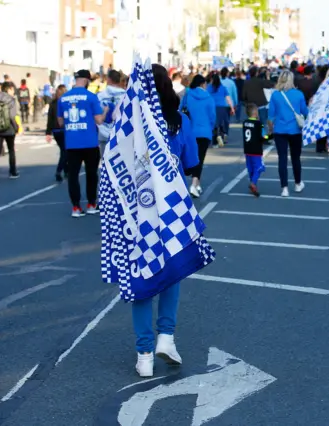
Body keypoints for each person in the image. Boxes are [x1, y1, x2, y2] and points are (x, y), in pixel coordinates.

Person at [133, 63, 201, 377]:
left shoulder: (131, 123)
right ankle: (166, 337)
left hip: (138, 210)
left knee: (142, 279)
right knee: (172, 274)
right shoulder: (179, 121)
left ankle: (144, 355)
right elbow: (191, 165)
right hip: (173, 210)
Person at [57, 70, 106, 217]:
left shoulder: (63, 98)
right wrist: (106, 111)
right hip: (90, 142)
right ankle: (91, 204)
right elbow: (99, 120)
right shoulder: (91, 97)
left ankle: (76, 207)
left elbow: (60, 122)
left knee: (73, 175)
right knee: (91, 174)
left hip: (72, 142)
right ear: (86, 80)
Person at [267, 70, 308, 197]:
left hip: (280, 130)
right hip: (295, 130)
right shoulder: (299, 94)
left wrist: (269, 129)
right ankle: (297, 183)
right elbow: (305, 112)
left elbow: (270, 116)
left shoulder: (275, 95)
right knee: (296, 158)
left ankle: (284, 188)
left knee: (282, 159)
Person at [180, 74, 216, 198]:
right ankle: (194, 184)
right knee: (200, 158)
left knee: (191, 156)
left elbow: (180, 111)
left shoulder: (188, 95)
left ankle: (197, 184)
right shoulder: (209, 97)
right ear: (202, 84)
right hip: (205, 131)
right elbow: (212, 117)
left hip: (190, 131)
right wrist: (211, 129)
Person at [0, 81, 22, 181]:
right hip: (9, 128)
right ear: (9, 89)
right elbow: (12, 115)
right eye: (12, 89)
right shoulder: (11, 99)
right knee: (11, 150)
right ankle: (13, 172)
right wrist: (16, 127)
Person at [97, 69, 126, 156]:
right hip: (121, 133)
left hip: (103, 132)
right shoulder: (126, 95)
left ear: (108, 79)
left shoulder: (99, 96)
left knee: (105, 161)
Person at [243, 102, 266, 197]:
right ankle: (253, 182)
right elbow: (263, 137)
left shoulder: (245, 122)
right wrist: (270, 135)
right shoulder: (259, 124)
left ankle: (253, 184)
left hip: (247, 149)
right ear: (256, 113)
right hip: (256, 150)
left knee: (250, 167)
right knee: (259, 167)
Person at [45, 84, 68, 182]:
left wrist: (48, 132)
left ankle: (67, 170)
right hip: (64, 129)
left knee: (64, 150)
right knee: (65, 151)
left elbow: (49, 118)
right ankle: (59, 170)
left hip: (55, 130)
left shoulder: (53, 103)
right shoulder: (66, 103)